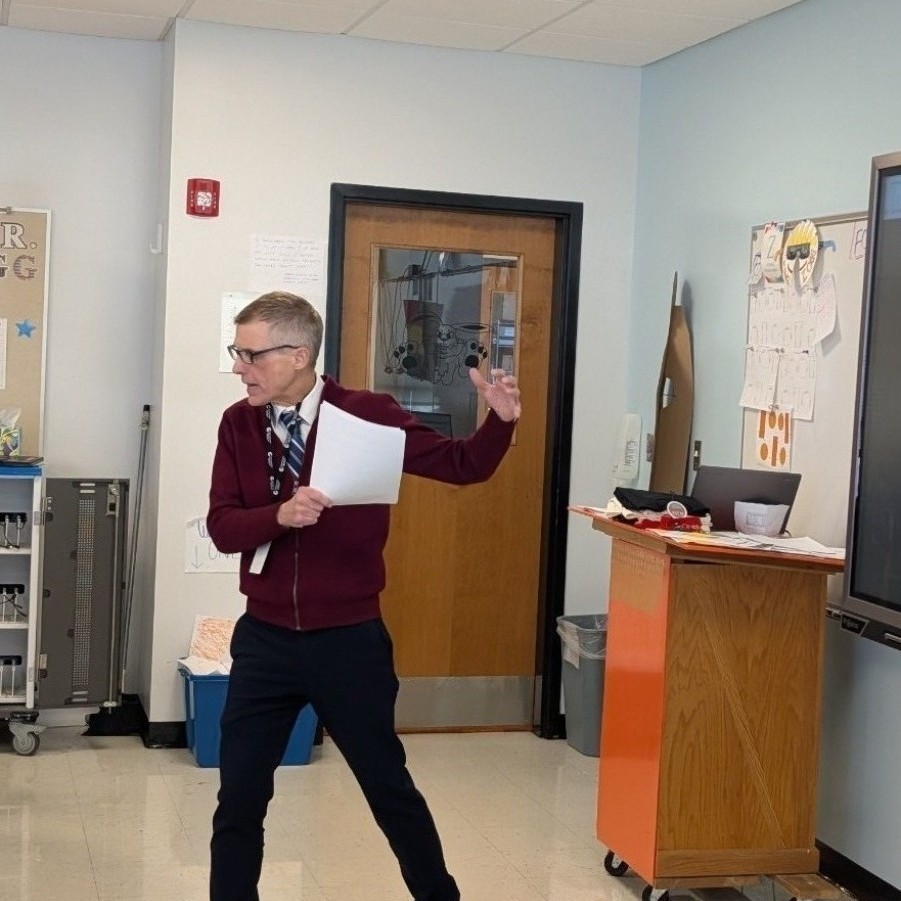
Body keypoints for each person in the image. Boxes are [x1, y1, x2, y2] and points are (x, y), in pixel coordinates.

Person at [206, 291, 521, 901]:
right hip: (265, 642)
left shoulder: (367, 415)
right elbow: (223, 527)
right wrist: (280, 514)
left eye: (250, 354)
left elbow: (461, 467)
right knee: (238, 799)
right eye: (236, 353)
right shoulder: (238, 424)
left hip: (348, 644)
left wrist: (500, 424)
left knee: (389, 790)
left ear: (298, 354)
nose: (239, 368)